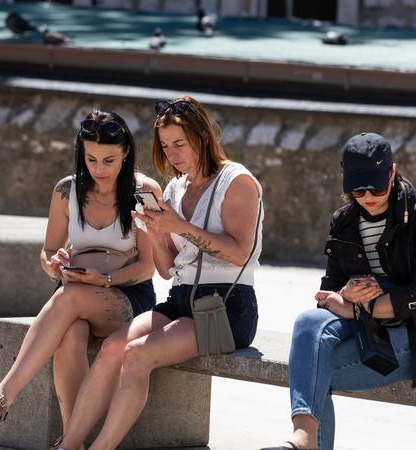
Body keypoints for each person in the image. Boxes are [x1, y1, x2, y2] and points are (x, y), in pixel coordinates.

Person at [53, 96, 263, 450]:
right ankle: (67, 445)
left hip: (228, 308)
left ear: (203, 136)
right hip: (181, 298)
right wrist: (156, 232)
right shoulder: (175, 188)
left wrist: (179, 226)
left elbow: (240, 252)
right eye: (166, 147)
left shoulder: (237, 180)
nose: (174, 154)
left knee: (137, 354)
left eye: (180, 144)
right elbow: (166, 270)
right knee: (112, 349)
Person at [261, 132, 416, 450]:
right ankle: (304, 439)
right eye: (357, 190)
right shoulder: (345, 221)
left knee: (314, 373)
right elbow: (329, 290)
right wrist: (344, 295)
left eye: (377, 187)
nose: (368, 197)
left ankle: (307, 441)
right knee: (308, 322)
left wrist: (360, 308)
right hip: (363, 323)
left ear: (393, 172)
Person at [0, 110, 161, 435]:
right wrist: (54, 263)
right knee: (71, 336)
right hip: (74, 294)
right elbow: (47, 251)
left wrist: (106, 280)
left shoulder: (143, 191)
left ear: (126, 154)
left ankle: (3, 396)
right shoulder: (66, 190)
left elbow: (148, 267)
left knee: (67, 299)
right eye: (91, 159)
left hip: (127, 297)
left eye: (109, 160)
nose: (99, 169)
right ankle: (73, 440)